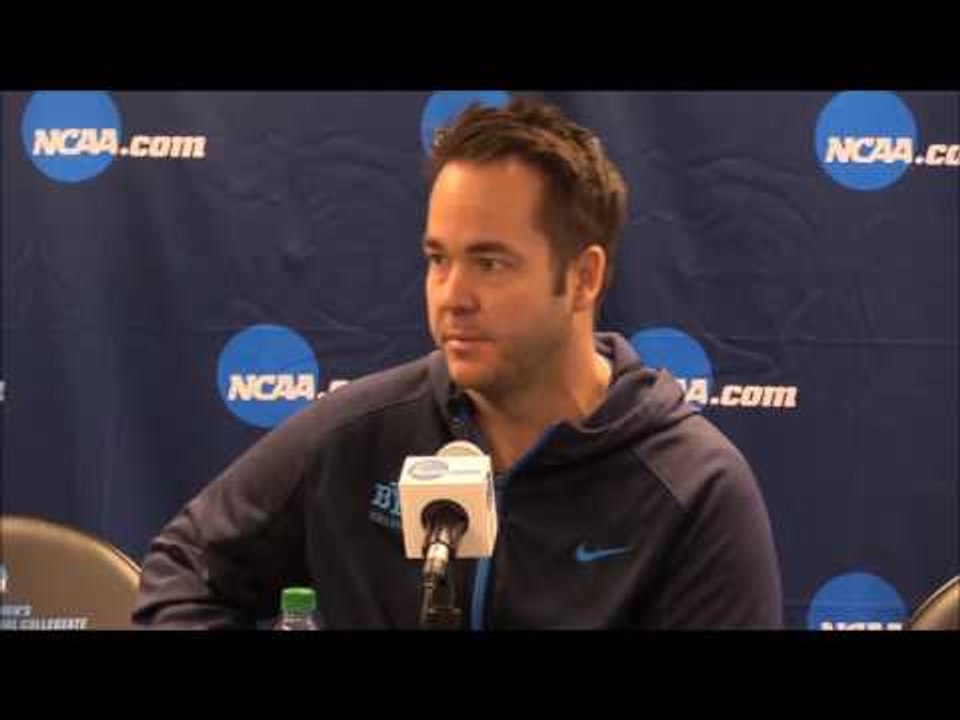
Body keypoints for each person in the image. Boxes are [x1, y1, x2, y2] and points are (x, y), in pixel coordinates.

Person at [133, 97, 783, 629]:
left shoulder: (694, 492)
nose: (452, 297)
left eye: (490, 263)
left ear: (584, 278)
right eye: (439, 259)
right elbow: (184, 571)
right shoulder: (358, 435)